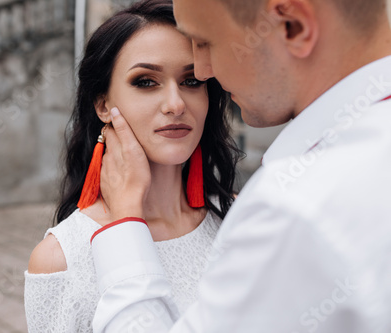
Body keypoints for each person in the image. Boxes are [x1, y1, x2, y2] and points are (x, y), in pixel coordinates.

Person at [90, 0, 391, 332]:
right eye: (145, 81)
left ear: (293, 26)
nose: (205, 71)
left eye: (205, 42)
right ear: (102, 104)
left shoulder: (293, 209)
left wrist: (124, 231)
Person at [23, 0, 241, 331]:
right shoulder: (61, 258)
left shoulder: (240, 219)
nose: (175, 104)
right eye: (145, 81)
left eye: (192, 81)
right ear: (103, 104)